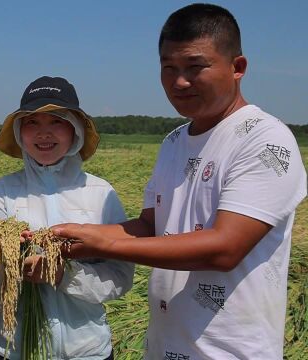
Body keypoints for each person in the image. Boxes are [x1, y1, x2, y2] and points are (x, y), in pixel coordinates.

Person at [52, 4, 307, 359]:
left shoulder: (264, 140)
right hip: (165, 345)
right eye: (168, 68)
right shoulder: (174, 142)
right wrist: (67, 237)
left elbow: (224, 249)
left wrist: (100, 244)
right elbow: (149, 226)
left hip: (229, 351)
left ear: (238, 68)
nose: (179, 81)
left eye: (195, 67)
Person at [0, 76, 134, 360]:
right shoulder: (1, 191)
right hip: (12, 350)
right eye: (32, 123)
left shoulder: (101, 193)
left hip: (86, 351)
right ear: (19, 131)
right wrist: (8, 261)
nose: (44, 133)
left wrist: (62, 275)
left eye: (56, 121)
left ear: (75, 130)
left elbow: (121, 276)